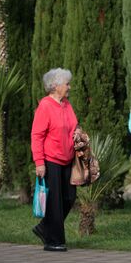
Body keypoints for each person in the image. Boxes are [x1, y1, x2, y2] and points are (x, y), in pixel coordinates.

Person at [30, 68, 79, 252]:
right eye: (67, 84)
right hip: (51, 160)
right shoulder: (45, 106)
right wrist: (39, 162)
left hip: (67, 158)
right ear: (55, 86)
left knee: (69, 197)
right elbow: (36, 135)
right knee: (55, 202)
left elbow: (73, 126)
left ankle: (44, 227)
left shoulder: (66, 105)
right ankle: (53, 241)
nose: (69, 87)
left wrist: (79, 135)